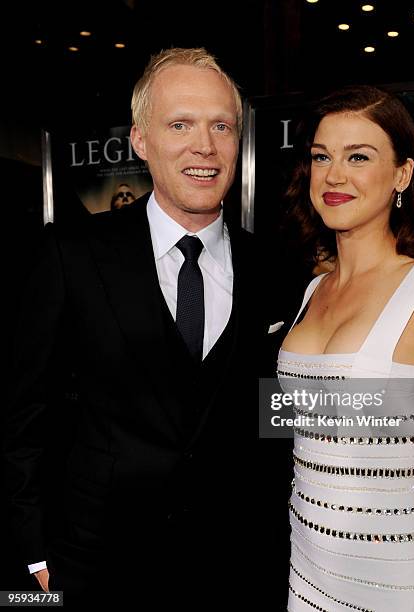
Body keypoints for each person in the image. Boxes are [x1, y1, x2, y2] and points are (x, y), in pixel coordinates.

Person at [3, 47, 261, 608]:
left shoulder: (277, 268)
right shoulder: (71, 254)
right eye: (180, 124)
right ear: (141, 141)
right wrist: (34, 556)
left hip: (234, 567)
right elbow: (23, 417)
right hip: (94, 567)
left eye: (222, 125)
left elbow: (278, 415)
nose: (205, 146)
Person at [278, 86, 414, 611]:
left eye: (359, 157)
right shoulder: (313, 288)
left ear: (401, 175)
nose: (335, 175)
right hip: (304, 564)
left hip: (393, 576)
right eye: (322, 157)